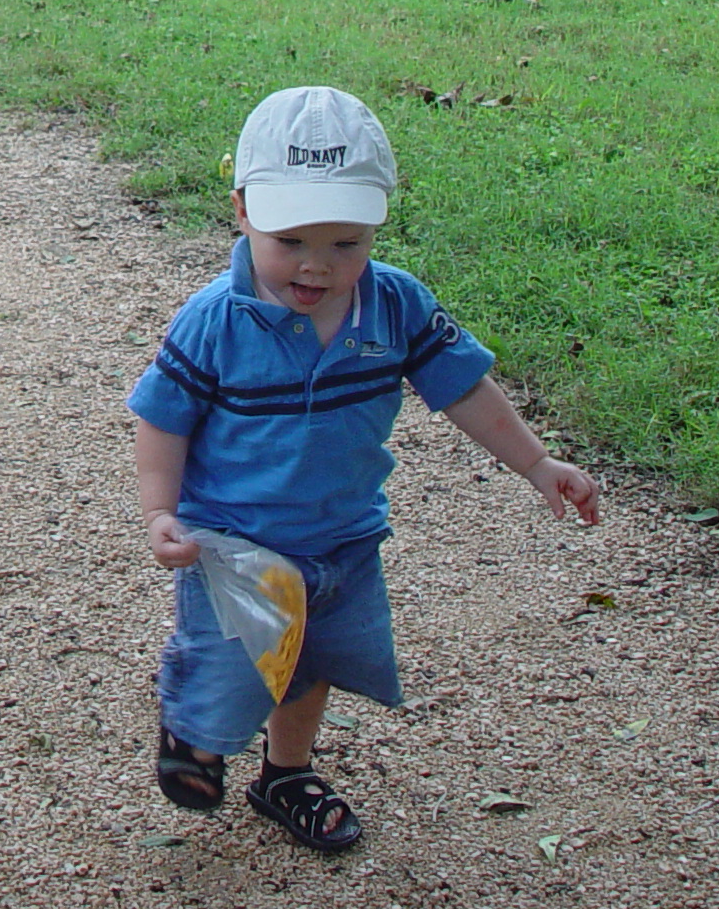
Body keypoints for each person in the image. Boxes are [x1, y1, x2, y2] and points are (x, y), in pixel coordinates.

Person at [128, 84, 600, 853]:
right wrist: (160, 510)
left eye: (345, 244)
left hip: (342, 538)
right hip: (236, 545)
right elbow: (163, 418)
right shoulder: (214, 320)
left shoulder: (396, 306)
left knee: (308, 663)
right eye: (291, 242)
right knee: (230, 663)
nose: (317, 265)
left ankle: (286, 773)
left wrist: (537, 463)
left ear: (377, 223)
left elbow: (464, 389)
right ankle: (196, 737)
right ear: (243, 211)